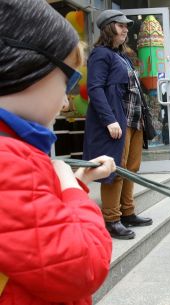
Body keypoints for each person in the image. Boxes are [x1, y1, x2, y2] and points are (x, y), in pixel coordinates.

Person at [0, 0, 115, 303]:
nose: (66, 102)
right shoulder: (8, 161)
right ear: (28, 65)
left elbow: (35, 233)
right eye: (69, 80)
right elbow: (85, 266)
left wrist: (75, 183)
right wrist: (71, 190)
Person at [83, 9, 153, 240]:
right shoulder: (100, 54)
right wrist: (109, 119)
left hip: (133, 120)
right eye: (120, 25)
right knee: (116, 170)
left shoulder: (121, 56)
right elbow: (95, 89)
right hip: (117, 121)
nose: (125, 29)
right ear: (108, 28)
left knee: (130, 168)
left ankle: (127, 212)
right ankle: (112, 219)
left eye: (126, 26)